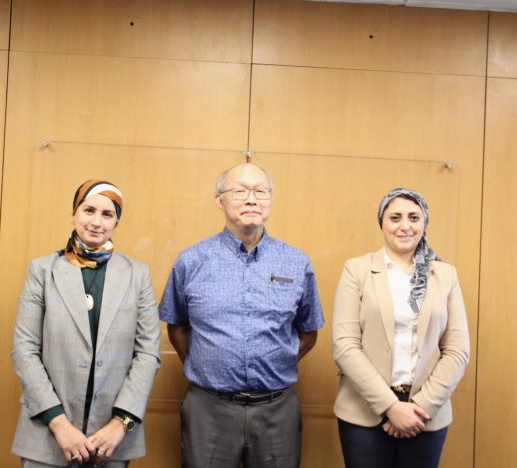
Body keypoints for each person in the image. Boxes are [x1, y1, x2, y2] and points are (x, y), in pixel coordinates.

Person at [159, 162, 325, 468]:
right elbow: (177, 326)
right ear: (219, 200)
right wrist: (207, 366)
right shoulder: (191, 261)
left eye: (261, 191)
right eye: (240, 191)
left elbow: (309, 330)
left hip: (276, 410)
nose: (252, 199)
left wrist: (277, 360)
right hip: (209, 408)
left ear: (270, 199)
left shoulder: (296, 263)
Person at [11, 179, 161, 468]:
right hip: (48, 435)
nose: (96, 222)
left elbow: (147, 354)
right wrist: (59, 424)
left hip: (111, 440)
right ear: (74, 213)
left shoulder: (137, 275)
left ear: (116, 221)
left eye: (107, 214)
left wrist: (121, 423)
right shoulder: (42, 271)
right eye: (89, 210)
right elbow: (24, 349)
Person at [332, 188, 470, 468]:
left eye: (414, 217)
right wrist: (390, 406)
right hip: (363, 412)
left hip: (426, 413)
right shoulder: (356, 270)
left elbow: (457, 350)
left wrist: (421, 407)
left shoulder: (445, 275)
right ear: (382, 222)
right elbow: (345, 346)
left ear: (424, 222)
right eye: (395, 217)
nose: (405, 226)